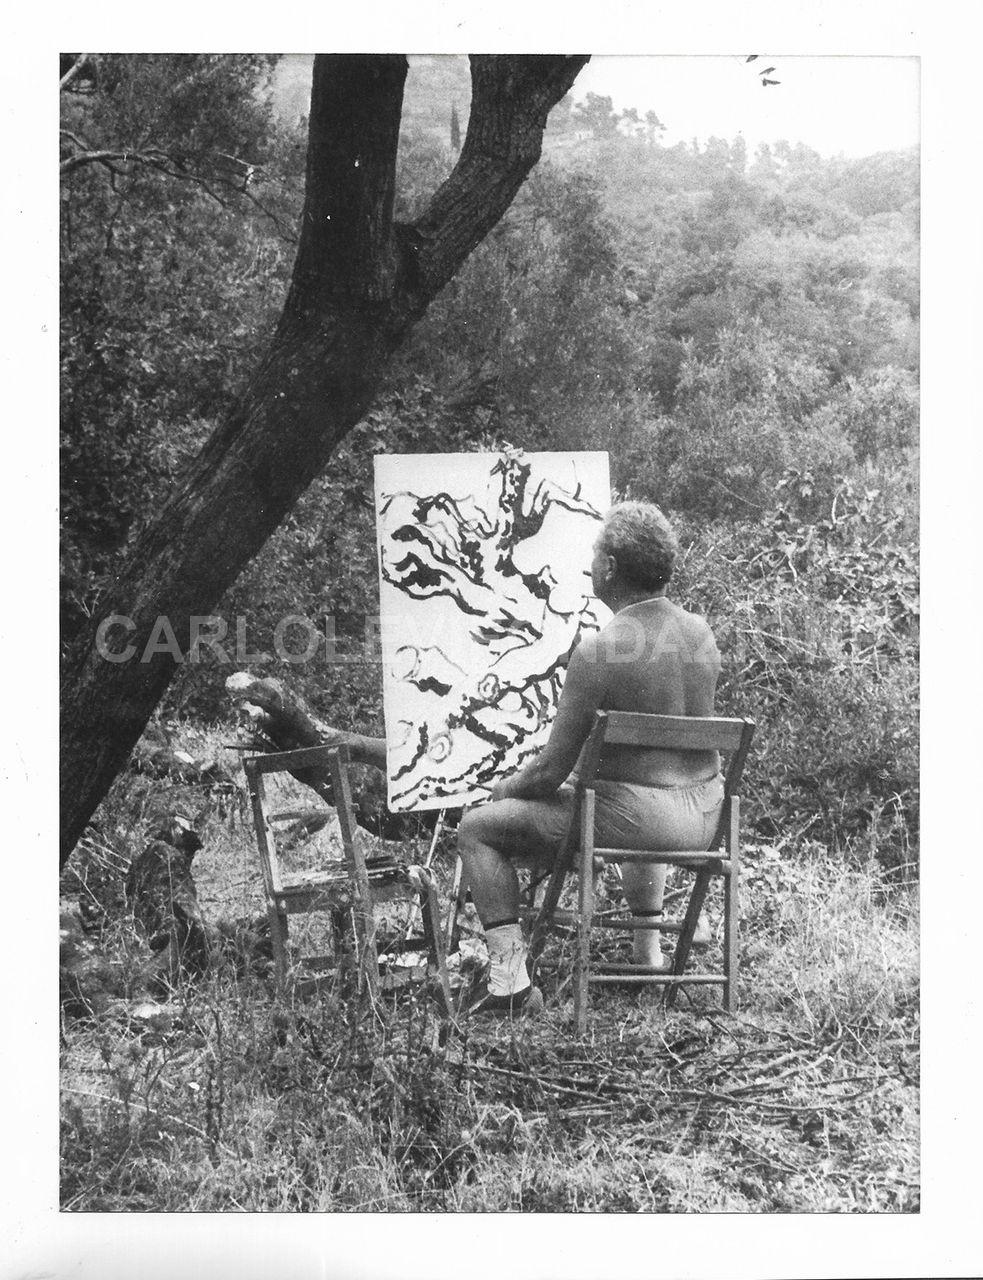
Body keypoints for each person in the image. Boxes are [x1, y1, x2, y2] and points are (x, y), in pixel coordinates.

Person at [455, 501, 724, 1016]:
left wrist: (505, 788)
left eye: (596, 555)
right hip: (704, 821)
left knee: (477, 829)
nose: (590, 565)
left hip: (637, 823)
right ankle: (648, 956)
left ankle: (509, 984)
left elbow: (548, 771)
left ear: (611, 568)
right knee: (633, 803)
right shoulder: (700, 635)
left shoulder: (599, 649)